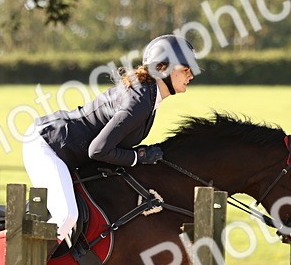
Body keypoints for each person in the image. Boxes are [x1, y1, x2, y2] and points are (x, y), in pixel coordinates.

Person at [22, 34, 200, 244]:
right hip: (47, 145)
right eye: (186, 70)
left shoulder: (149, 96)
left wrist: (138, 156)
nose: (191, 75)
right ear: (163, 69)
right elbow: (98, 150)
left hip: (65, 148)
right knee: (66, 217)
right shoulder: (140, 101)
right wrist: (137, 157)